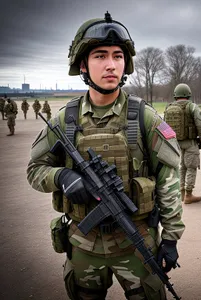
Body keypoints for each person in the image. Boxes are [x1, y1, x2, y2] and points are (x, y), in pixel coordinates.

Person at [27, 12, 185, 300]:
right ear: (83, 65)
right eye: (100, 56)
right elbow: (35, 169)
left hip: (136, 245)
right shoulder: (66, 120)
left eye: (117, 56)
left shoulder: (144, 117)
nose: (111, 65)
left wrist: (172, 237)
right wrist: (61, 176)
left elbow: (169, 179)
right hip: (83, 246)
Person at [164, 83, 201, 204]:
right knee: (191, 167)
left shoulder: (169, 107)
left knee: (182, 166)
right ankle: (189, 194)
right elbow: (200, 125)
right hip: (190, 142)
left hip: (175, 143)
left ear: (175, 95)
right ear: (188, 94)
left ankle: (181, 192)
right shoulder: (192, 107)